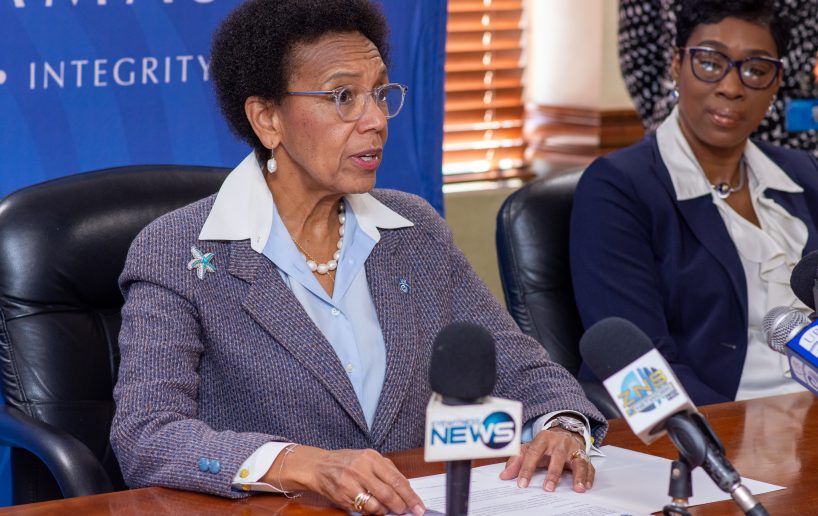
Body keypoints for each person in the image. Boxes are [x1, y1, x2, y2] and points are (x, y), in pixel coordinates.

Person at [110, 0, 607, 514]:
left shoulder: (414, 231)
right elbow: (147, 434)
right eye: (343, 97)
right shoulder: (178, 252)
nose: (375, 120)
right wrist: (298, 463)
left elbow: (520, 367)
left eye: (380, 93)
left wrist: (562, 427)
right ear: (267, 119)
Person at [572, 0, 818, 407]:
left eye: (756, 70)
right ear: (676, 65)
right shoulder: (618, 188)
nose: (731, 87)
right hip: (714, 424)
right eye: (709, 63)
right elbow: (637, 366)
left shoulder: (803, 174)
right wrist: (714, 435)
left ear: (776, 82)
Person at [618, 0, 818, 158]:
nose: (730, 89)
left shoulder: (803, 169)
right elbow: (638, 57)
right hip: (683, 137)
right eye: (709, 63)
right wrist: (682, 99)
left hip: (794, 133)